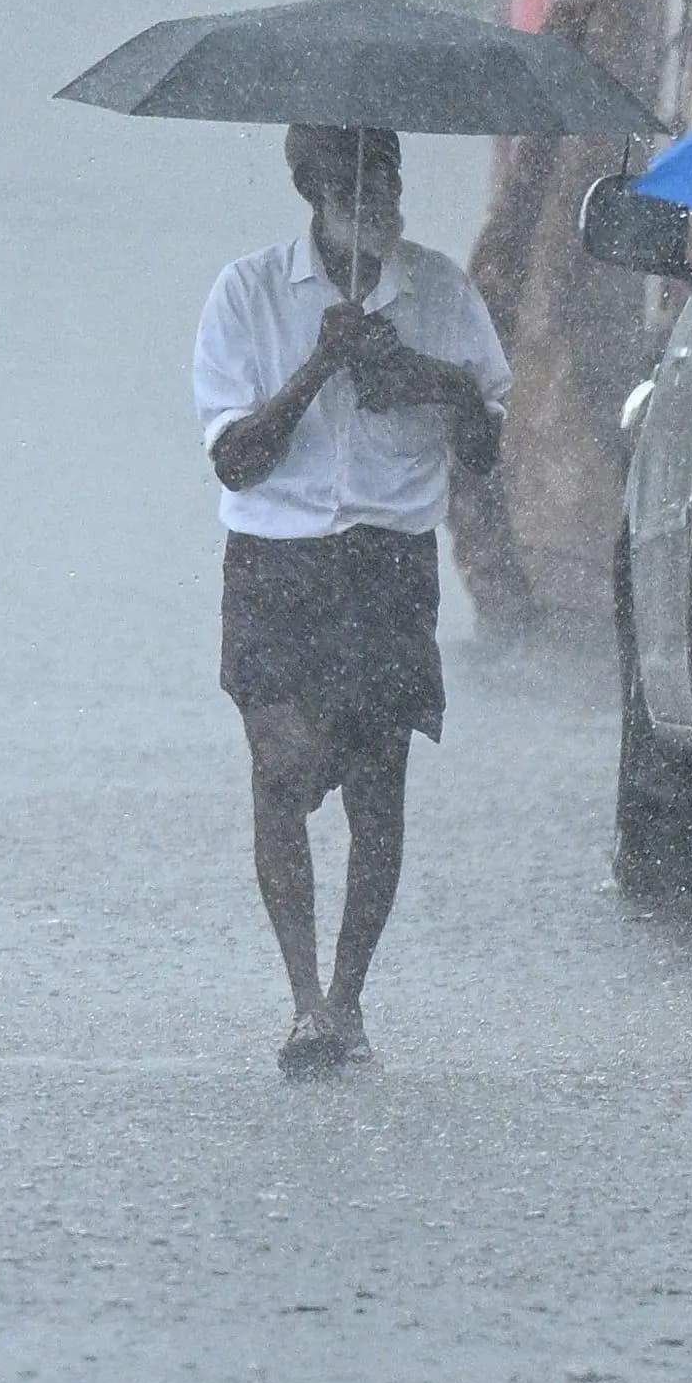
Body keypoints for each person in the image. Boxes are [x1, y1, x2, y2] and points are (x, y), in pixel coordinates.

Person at [193, 127, 511, 1073]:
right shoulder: (246, 293)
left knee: (377, 790)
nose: (376, 190)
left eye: (389, 170)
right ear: (306, 183)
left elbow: (486, 454)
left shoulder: (443, 293)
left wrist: (438, 383)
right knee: (278, 767)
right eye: (351, 174)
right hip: (275, 559)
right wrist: (317, 368)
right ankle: (300, 1003)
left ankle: (347, 998)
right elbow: (235, 460)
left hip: (386, 562)